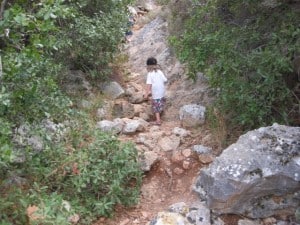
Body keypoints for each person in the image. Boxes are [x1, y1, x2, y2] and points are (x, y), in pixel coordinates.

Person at [143, 57, 167, 125]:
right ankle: (160, 117)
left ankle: (158, 120)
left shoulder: (150, 74)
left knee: (156, 107)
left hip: (156, 93)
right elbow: (165, 80)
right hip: (162, 91)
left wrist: (146, 94)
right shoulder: (160, 72)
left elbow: (148, 84)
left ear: (148, 66)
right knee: (160, 104)